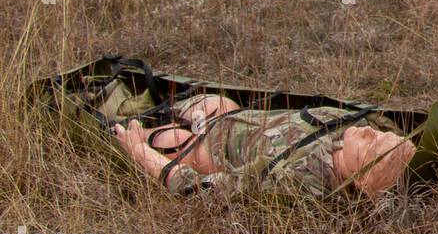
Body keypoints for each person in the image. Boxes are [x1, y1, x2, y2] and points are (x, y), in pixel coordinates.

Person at [112, 93, 416, 199]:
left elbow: (201, 190)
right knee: (216, 104)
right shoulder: (355, 131)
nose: (367, 132)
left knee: (166, 140)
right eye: (376, 133)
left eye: (371, 144)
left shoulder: (296, 181)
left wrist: (142, 154)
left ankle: (125, 117)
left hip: (206, 148)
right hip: (230, 117)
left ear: (360, 180)